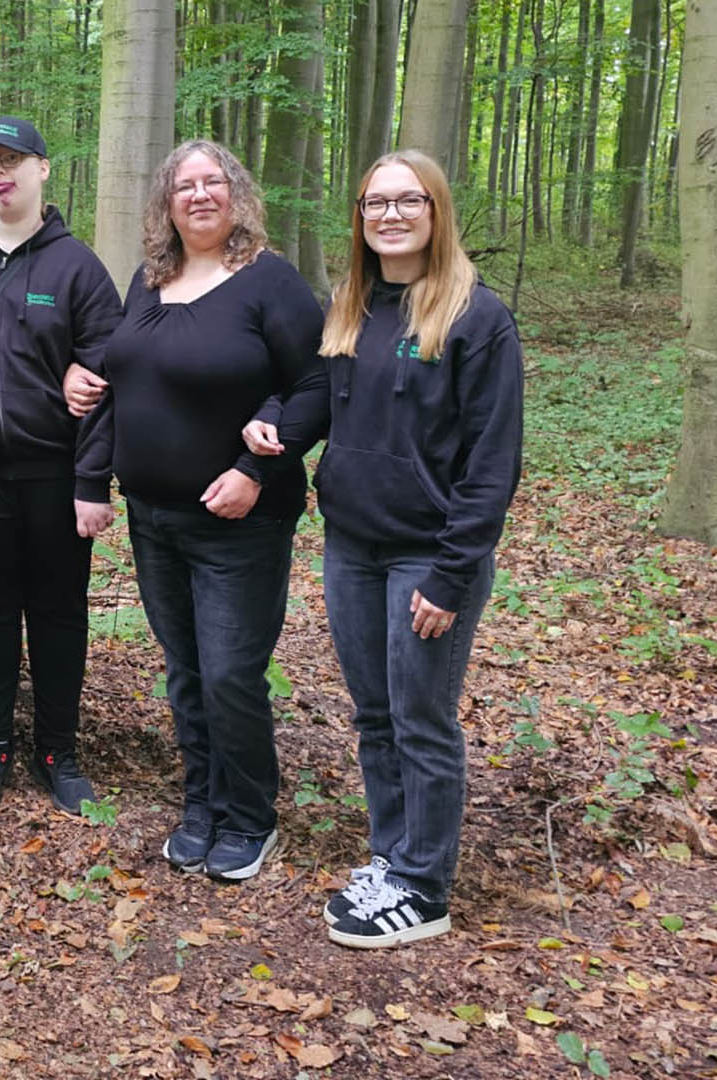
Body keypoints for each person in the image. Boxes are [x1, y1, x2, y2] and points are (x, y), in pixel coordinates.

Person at [246, 150, 523, 948]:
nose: (391, 216)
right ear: (361, 218)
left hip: (429, 556)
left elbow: (492, 465)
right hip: (351, 546)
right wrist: (276, 424)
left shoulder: (476, 318)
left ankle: (425, 888)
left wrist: (449, 573)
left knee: (420, 716)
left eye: (408, 202)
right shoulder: (353, 307)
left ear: (436, 212)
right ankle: (392, 858)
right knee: (374, 714)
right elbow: (324, 403)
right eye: (375, 204)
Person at [77, 140, 328, 882]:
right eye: (184, 185)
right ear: (166, 202)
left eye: (212, 182)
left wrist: (256, 467)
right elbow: (125, 372)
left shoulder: (270, 283)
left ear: (236, 193)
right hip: (153, 517)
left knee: (229, 674)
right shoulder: (150, 281)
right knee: (185, 671)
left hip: (239, 522)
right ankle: (202, 805)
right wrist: (87, 382)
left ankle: (251, 817)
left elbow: (316, 384)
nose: (198, 195)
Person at [0, 116, 124, 816]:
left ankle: (57, 751)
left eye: (11, 160)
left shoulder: (77, 267)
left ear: (42, 168)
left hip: (52, 473)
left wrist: (93, 480)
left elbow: (108, 374)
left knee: (59, 612)